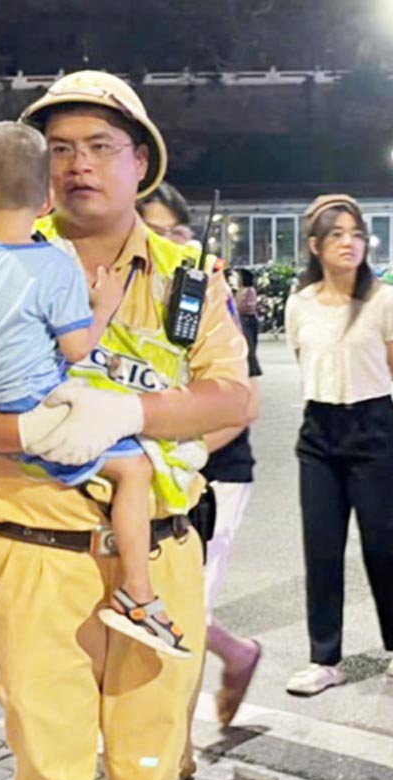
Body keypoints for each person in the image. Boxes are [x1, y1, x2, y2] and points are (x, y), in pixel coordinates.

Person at [0, 70, 250, 780]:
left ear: (139, 163)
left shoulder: (187, 276)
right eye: (59, 148)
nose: (79, 164)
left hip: (159, 562)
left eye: (100, 145)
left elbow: (233, 398)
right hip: (34, 559)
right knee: (49, 779)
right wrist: (32, 428)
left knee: (148, 776)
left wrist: (132, 416)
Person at [0, 120, 190, 656]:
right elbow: (78, 351)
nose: (82, 163)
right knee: (132, 467)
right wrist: (104, 306)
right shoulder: (53, 267)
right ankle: (138, 596)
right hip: (37, 408)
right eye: (66, 151)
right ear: (46, 198)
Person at [284, 195, 393, 696]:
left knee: (386, 539)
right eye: (337, 235)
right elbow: (302, 354)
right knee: (321, 546)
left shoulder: (385, 299)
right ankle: (324, 658)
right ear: (315, 246)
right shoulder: (299, 302)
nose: (350, 243)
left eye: (356, 234)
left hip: (372, 425)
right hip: (319, 431)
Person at [138, 182, 264, 727]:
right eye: (153, 231)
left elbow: (243, 408)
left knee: (186, 612)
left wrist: (173, 456)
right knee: (155, 608)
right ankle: (237, 654)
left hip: (215, 476)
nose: (165, 242)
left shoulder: (208, 297)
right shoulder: (119, 298)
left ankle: (176, 753)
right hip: (145, 482)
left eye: (175, 231)